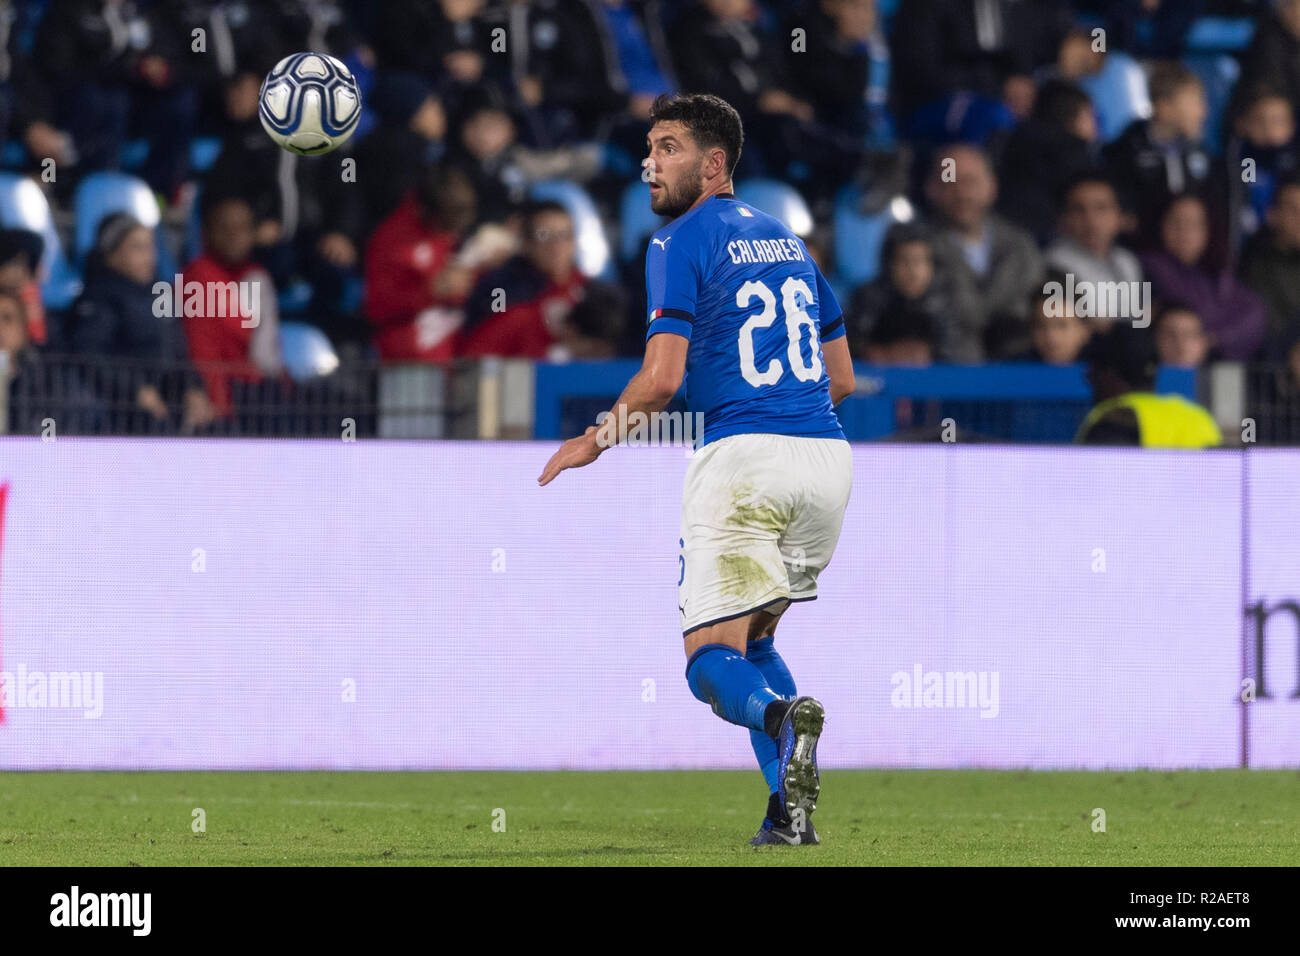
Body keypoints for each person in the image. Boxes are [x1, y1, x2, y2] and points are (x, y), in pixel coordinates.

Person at [537, 93, 855, 847]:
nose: (650, 162)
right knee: (757, 643)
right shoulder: (792, 243)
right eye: (649, 146)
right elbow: (841, 375)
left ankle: (782, 719)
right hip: (827, 458)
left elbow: (661, 378)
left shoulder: (677, 242)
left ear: (715, 165)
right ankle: (789, 814)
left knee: (709, 661)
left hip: (744, 460)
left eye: (670, 147)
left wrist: (595, 439)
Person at [1139, 192, 1266, 361]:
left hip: (1215, 368)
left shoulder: (1217, 272)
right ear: (1160, 225)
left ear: (1208, 230)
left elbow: (1255, 315)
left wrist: (1213, 338)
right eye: (1176, 222)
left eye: (1193, 224)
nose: (1184, 232)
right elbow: (1191, 310)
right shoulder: (1149, 265)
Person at [1075, 322, 1220, 447]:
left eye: (1095, 369)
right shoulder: (1198, 417)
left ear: (1111, 374)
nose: (1088, 377)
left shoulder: (1113, 418)